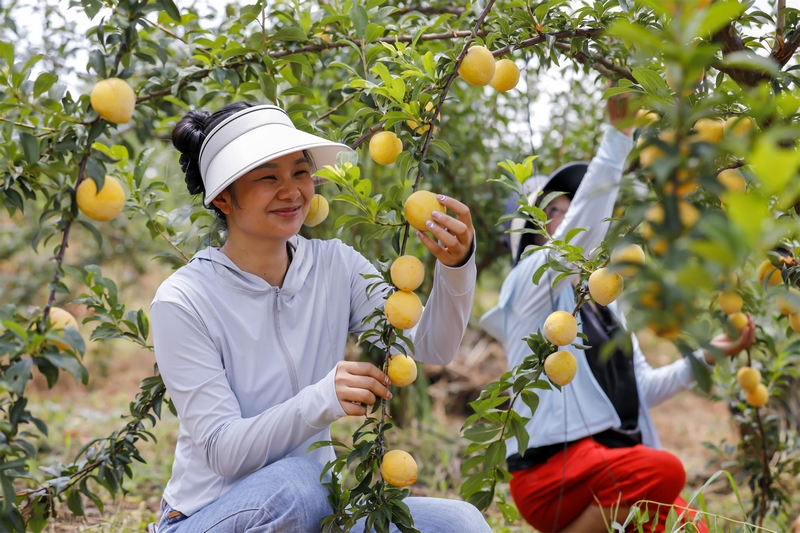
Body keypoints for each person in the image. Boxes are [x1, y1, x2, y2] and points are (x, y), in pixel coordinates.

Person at [150, 102, 490, 533]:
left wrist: (456, 266)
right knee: (299, 484)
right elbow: (223, 450)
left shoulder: (336, 267)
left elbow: (431, 344)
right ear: (223, 196)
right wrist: (322, 398)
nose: (292, 191)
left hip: (313, 512)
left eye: (300, 171)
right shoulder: (184, 300)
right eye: (268, 177)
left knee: (459, 523)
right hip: (208, 516)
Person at [480, 95, 757, 533]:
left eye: (573, 203)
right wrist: (618, 136)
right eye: (554, 210)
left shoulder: (607, 307)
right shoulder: (527, 283)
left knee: (693, 525)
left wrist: (711, 353)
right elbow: (579, 235)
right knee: (663, 471)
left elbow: (642, 389)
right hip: (553, 472)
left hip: (610, 468)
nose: (568, 213)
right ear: (532, 234)